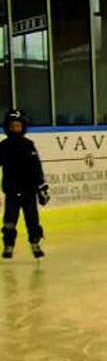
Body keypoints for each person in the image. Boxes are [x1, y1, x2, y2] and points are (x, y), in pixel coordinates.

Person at [1, 109, 49, 260]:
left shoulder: (29, 145)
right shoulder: (3, 146)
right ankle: (8, 245)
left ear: (23, 127)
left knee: (32, 220)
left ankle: (35, 243)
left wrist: (42, 189)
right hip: (12, 191)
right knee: (9, 221)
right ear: (8, 127)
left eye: (18, 126)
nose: (15, 129)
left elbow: (36, 168)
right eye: (12, 126)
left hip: (29, 191)